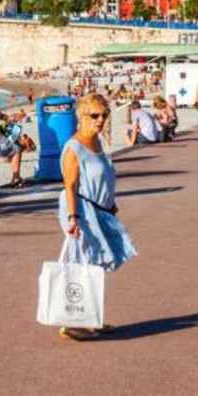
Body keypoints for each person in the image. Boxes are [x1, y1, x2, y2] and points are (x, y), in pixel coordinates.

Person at [56, 93, 137, 341]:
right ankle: (70, 322)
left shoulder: (98, 142)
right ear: (81, 116)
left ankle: (92, 318)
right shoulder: (74, 147)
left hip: (100, 209)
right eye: (95, 115)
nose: (100, 120)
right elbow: (70, 186)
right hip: (81, 209)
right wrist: (73, 218)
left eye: (104, 115)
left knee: (96, 265)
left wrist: (111, 204)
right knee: (82, 263)